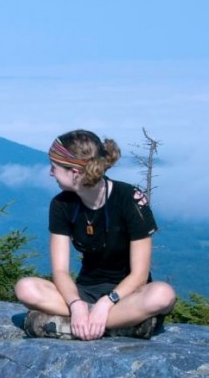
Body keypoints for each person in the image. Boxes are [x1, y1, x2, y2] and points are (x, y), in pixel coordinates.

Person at [15, 129, 176, 340]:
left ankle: (70, 326)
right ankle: (122, 325)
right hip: (84, 291)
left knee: (163, 295)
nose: (50, 173)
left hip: (128, 294)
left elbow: (139, 275)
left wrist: (107, 303)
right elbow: (61, 271)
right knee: (25, 288)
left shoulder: (130, 199)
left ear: (74, 172)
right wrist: (76, 304)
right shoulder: (61, 205)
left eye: (54, 167)